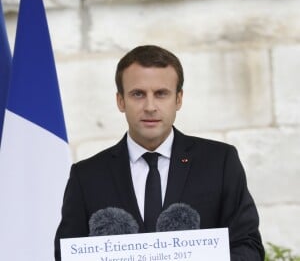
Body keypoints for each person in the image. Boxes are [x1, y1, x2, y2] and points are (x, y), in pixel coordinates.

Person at [54, 45, 264, 260]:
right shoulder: (87, 176)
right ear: (120, 101)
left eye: (161, 94)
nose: (150, 106)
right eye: (138, 94)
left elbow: (248, 246)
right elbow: (66, 253)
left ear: (178, 99)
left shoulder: (220, 162)